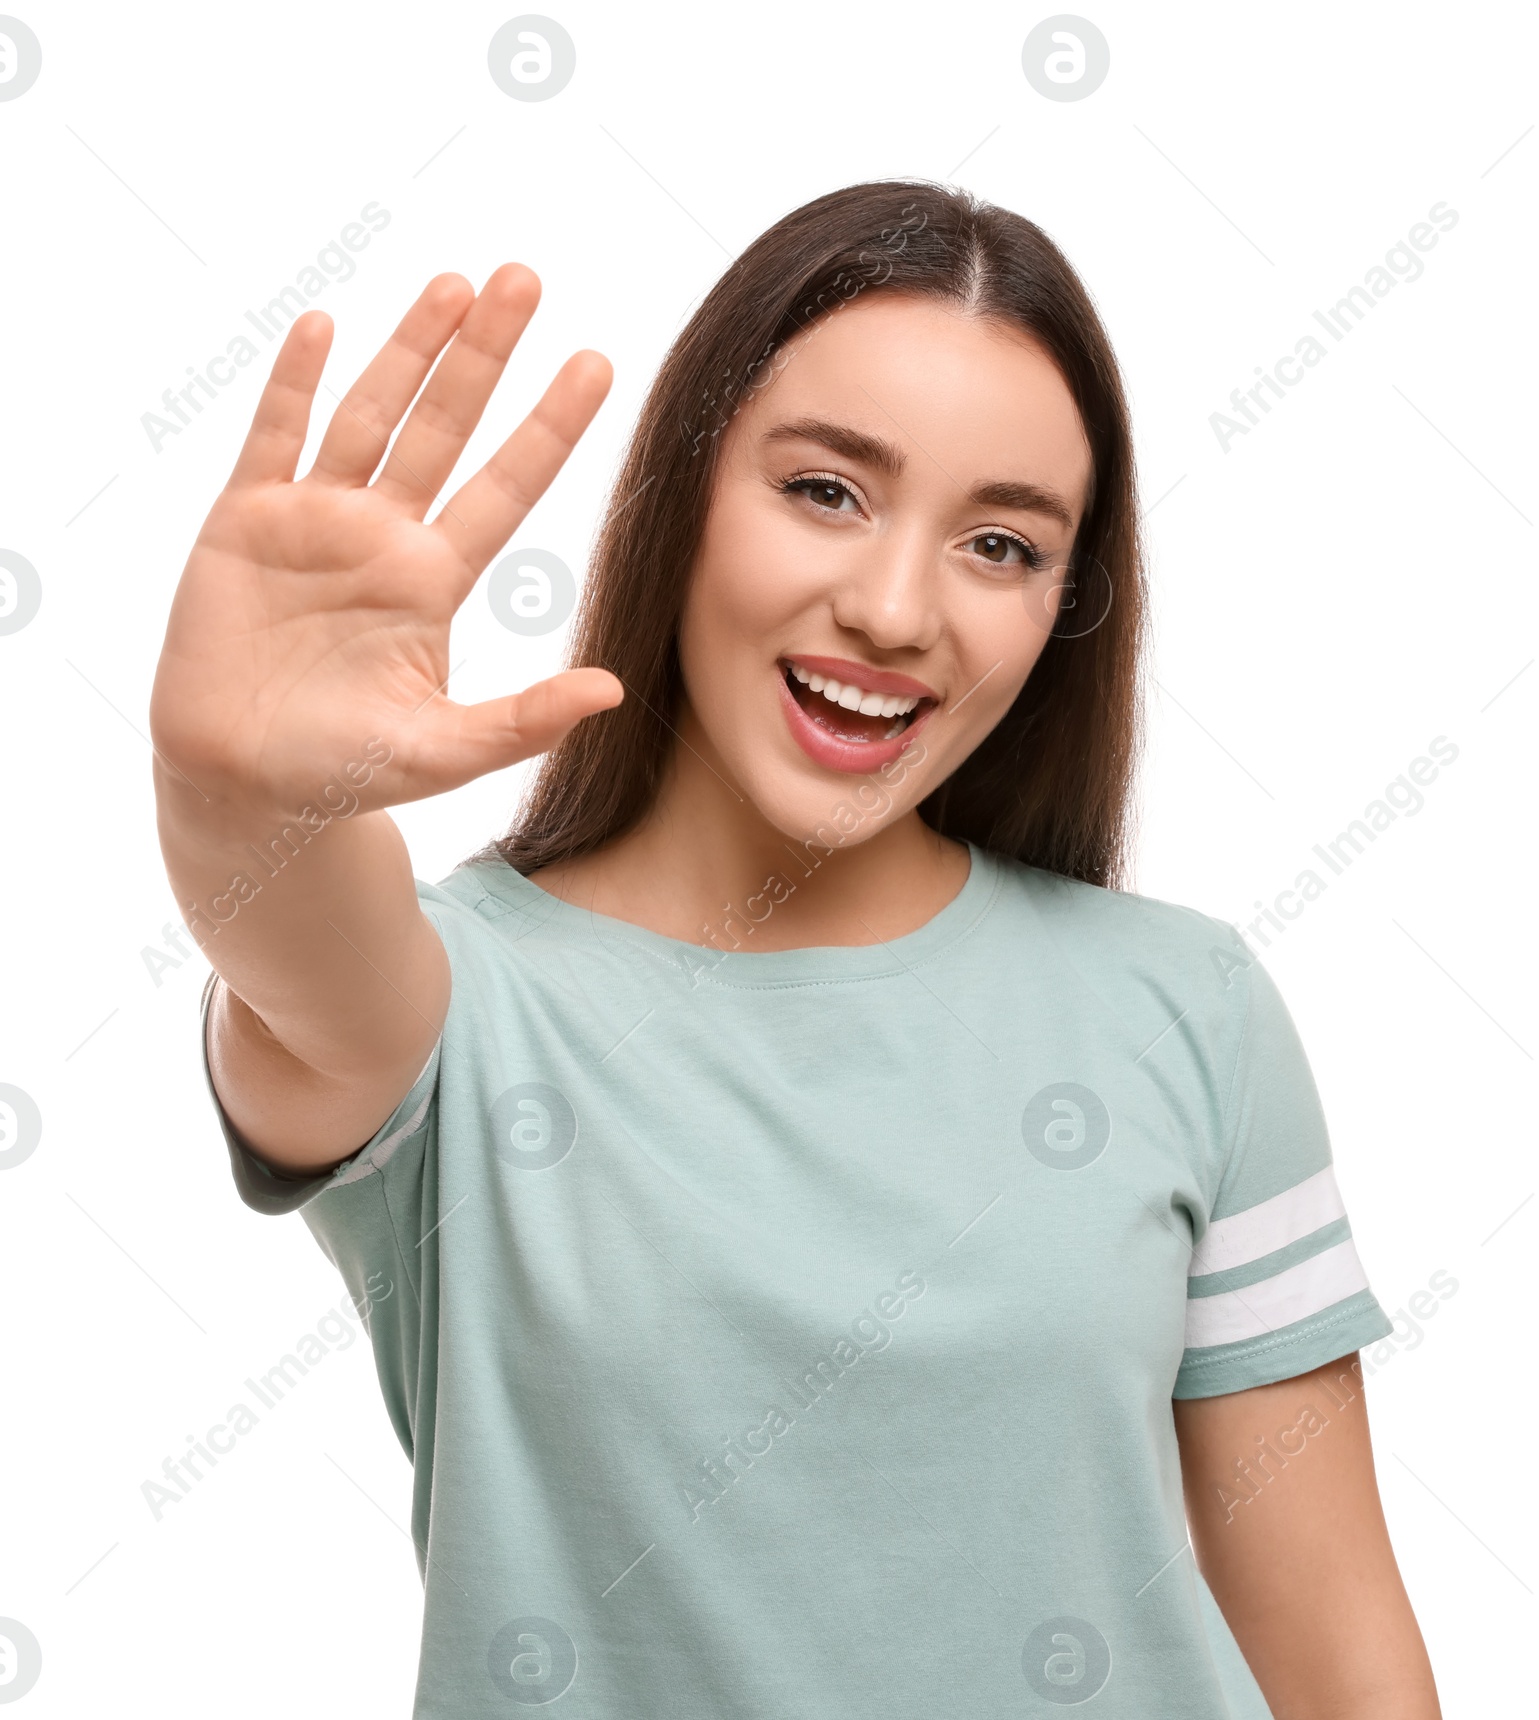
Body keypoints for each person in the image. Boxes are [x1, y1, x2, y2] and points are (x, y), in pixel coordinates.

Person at [150, 180, 1443, 1718]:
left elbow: (1344, 1660)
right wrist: (235, 797)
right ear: (689, 494)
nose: (896, 610)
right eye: (827, 490)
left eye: (1003, 546)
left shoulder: (1191, 1010)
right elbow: (291, 945)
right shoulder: (456, 1017)